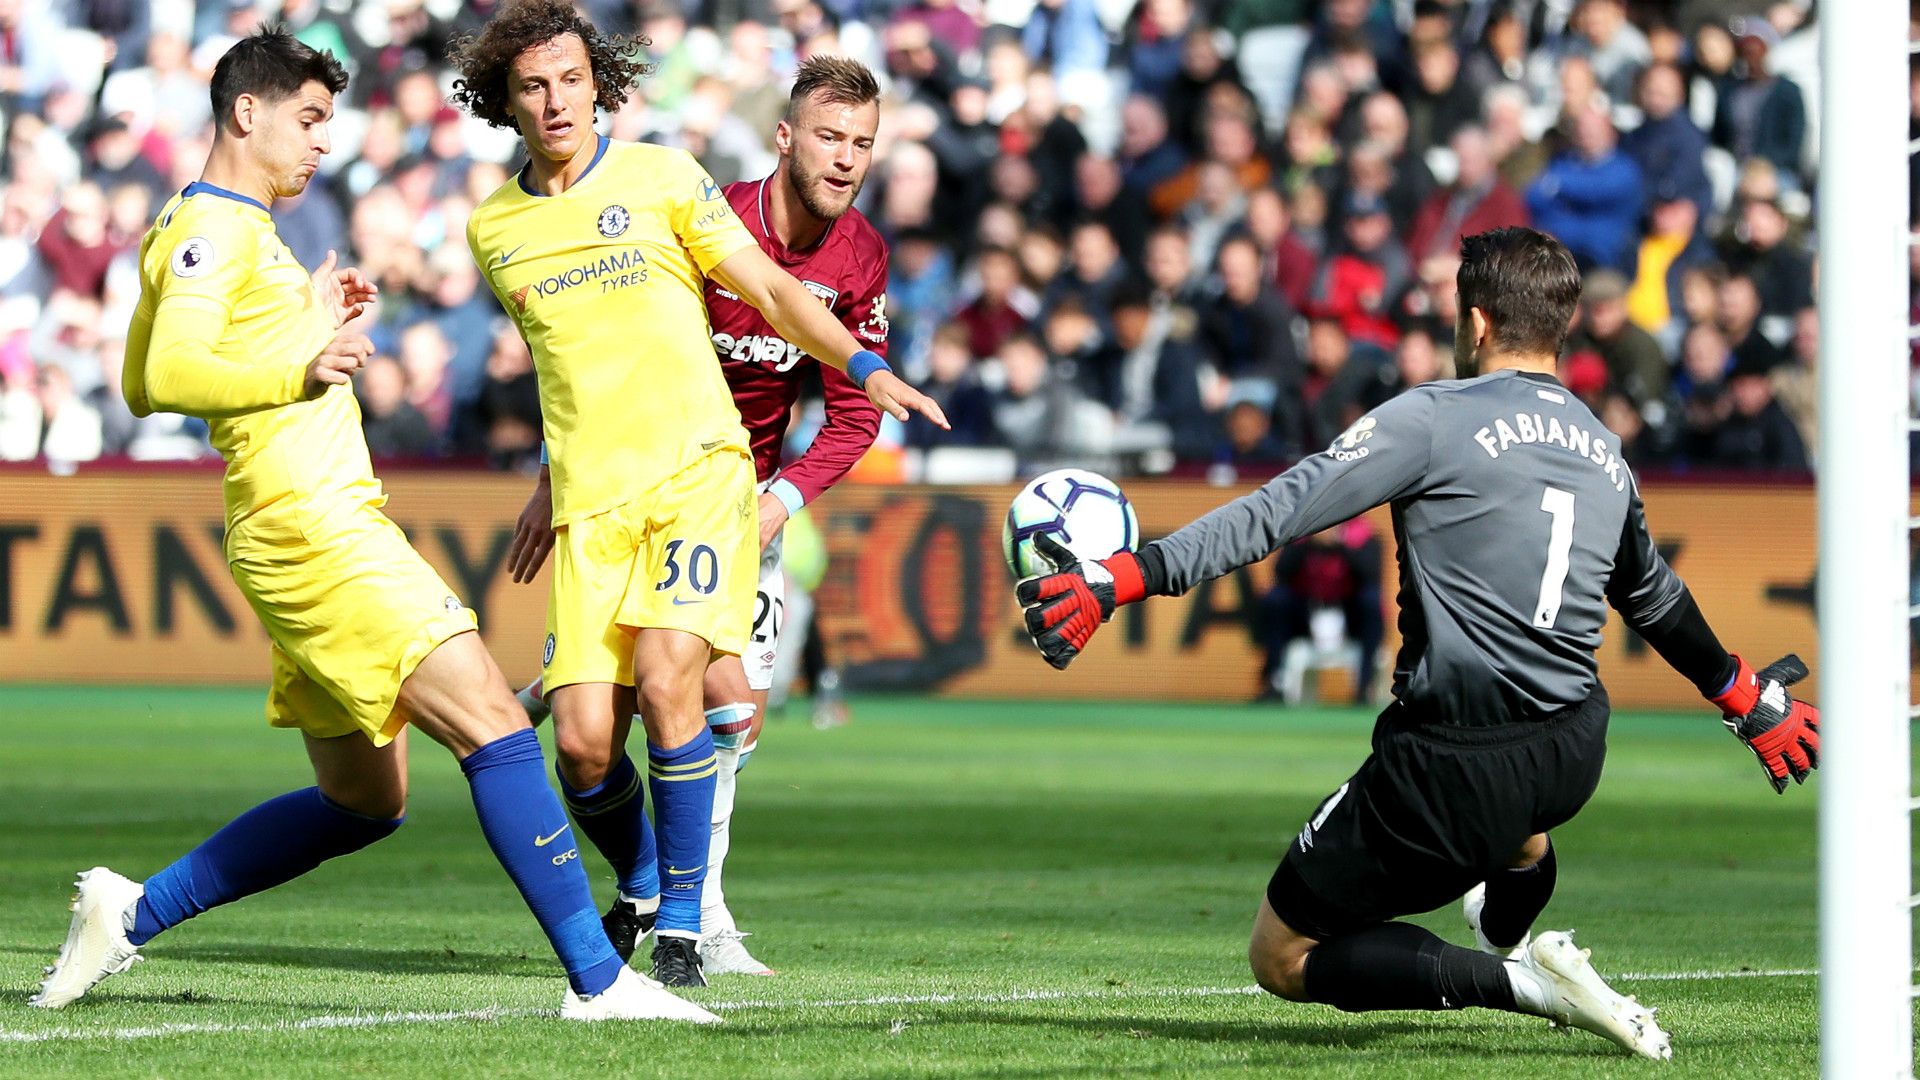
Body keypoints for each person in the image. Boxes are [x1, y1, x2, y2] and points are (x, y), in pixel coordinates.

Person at [32, 26, 717, 1024]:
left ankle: (129, 916)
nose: (320, 145)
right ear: (246, 113)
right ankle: (602, 983)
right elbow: (171, 378)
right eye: (308, 121)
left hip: (288, 526)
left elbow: (138, 379)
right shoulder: (214, 228)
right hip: (312, 525)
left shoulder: (215, 222)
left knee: (365, 803)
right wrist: (298, 364)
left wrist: (304, 318)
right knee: (492, 718)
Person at [1014, 227, 1819, 1061]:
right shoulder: (1604, 449)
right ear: (1566, 322)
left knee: (1280, 955)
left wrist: (1123, 576)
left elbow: (1277, 513)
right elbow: (1651, 595)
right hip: (1575, 746)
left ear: (1473, 322)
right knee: (1518, 838)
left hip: (1453, 759)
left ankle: (1525, 985)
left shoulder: (1433, 418)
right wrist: (1745, 697)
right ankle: (1518, 936)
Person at [450, 4, 943, 988]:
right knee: (586, 749)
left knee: (701, 689)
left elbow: (770, 292)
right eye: (534, 85)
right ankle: (646, 879)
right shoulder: (493, 231)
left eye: (572, 80)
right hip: (597, 496)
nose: (556, 100)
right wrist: (554, 473)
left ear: (602, 87)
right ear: (505, 100)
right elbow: (571, 360)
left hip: (709, 480)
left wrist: (860, 366)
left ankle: (689, 922)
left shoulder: (669, 182)